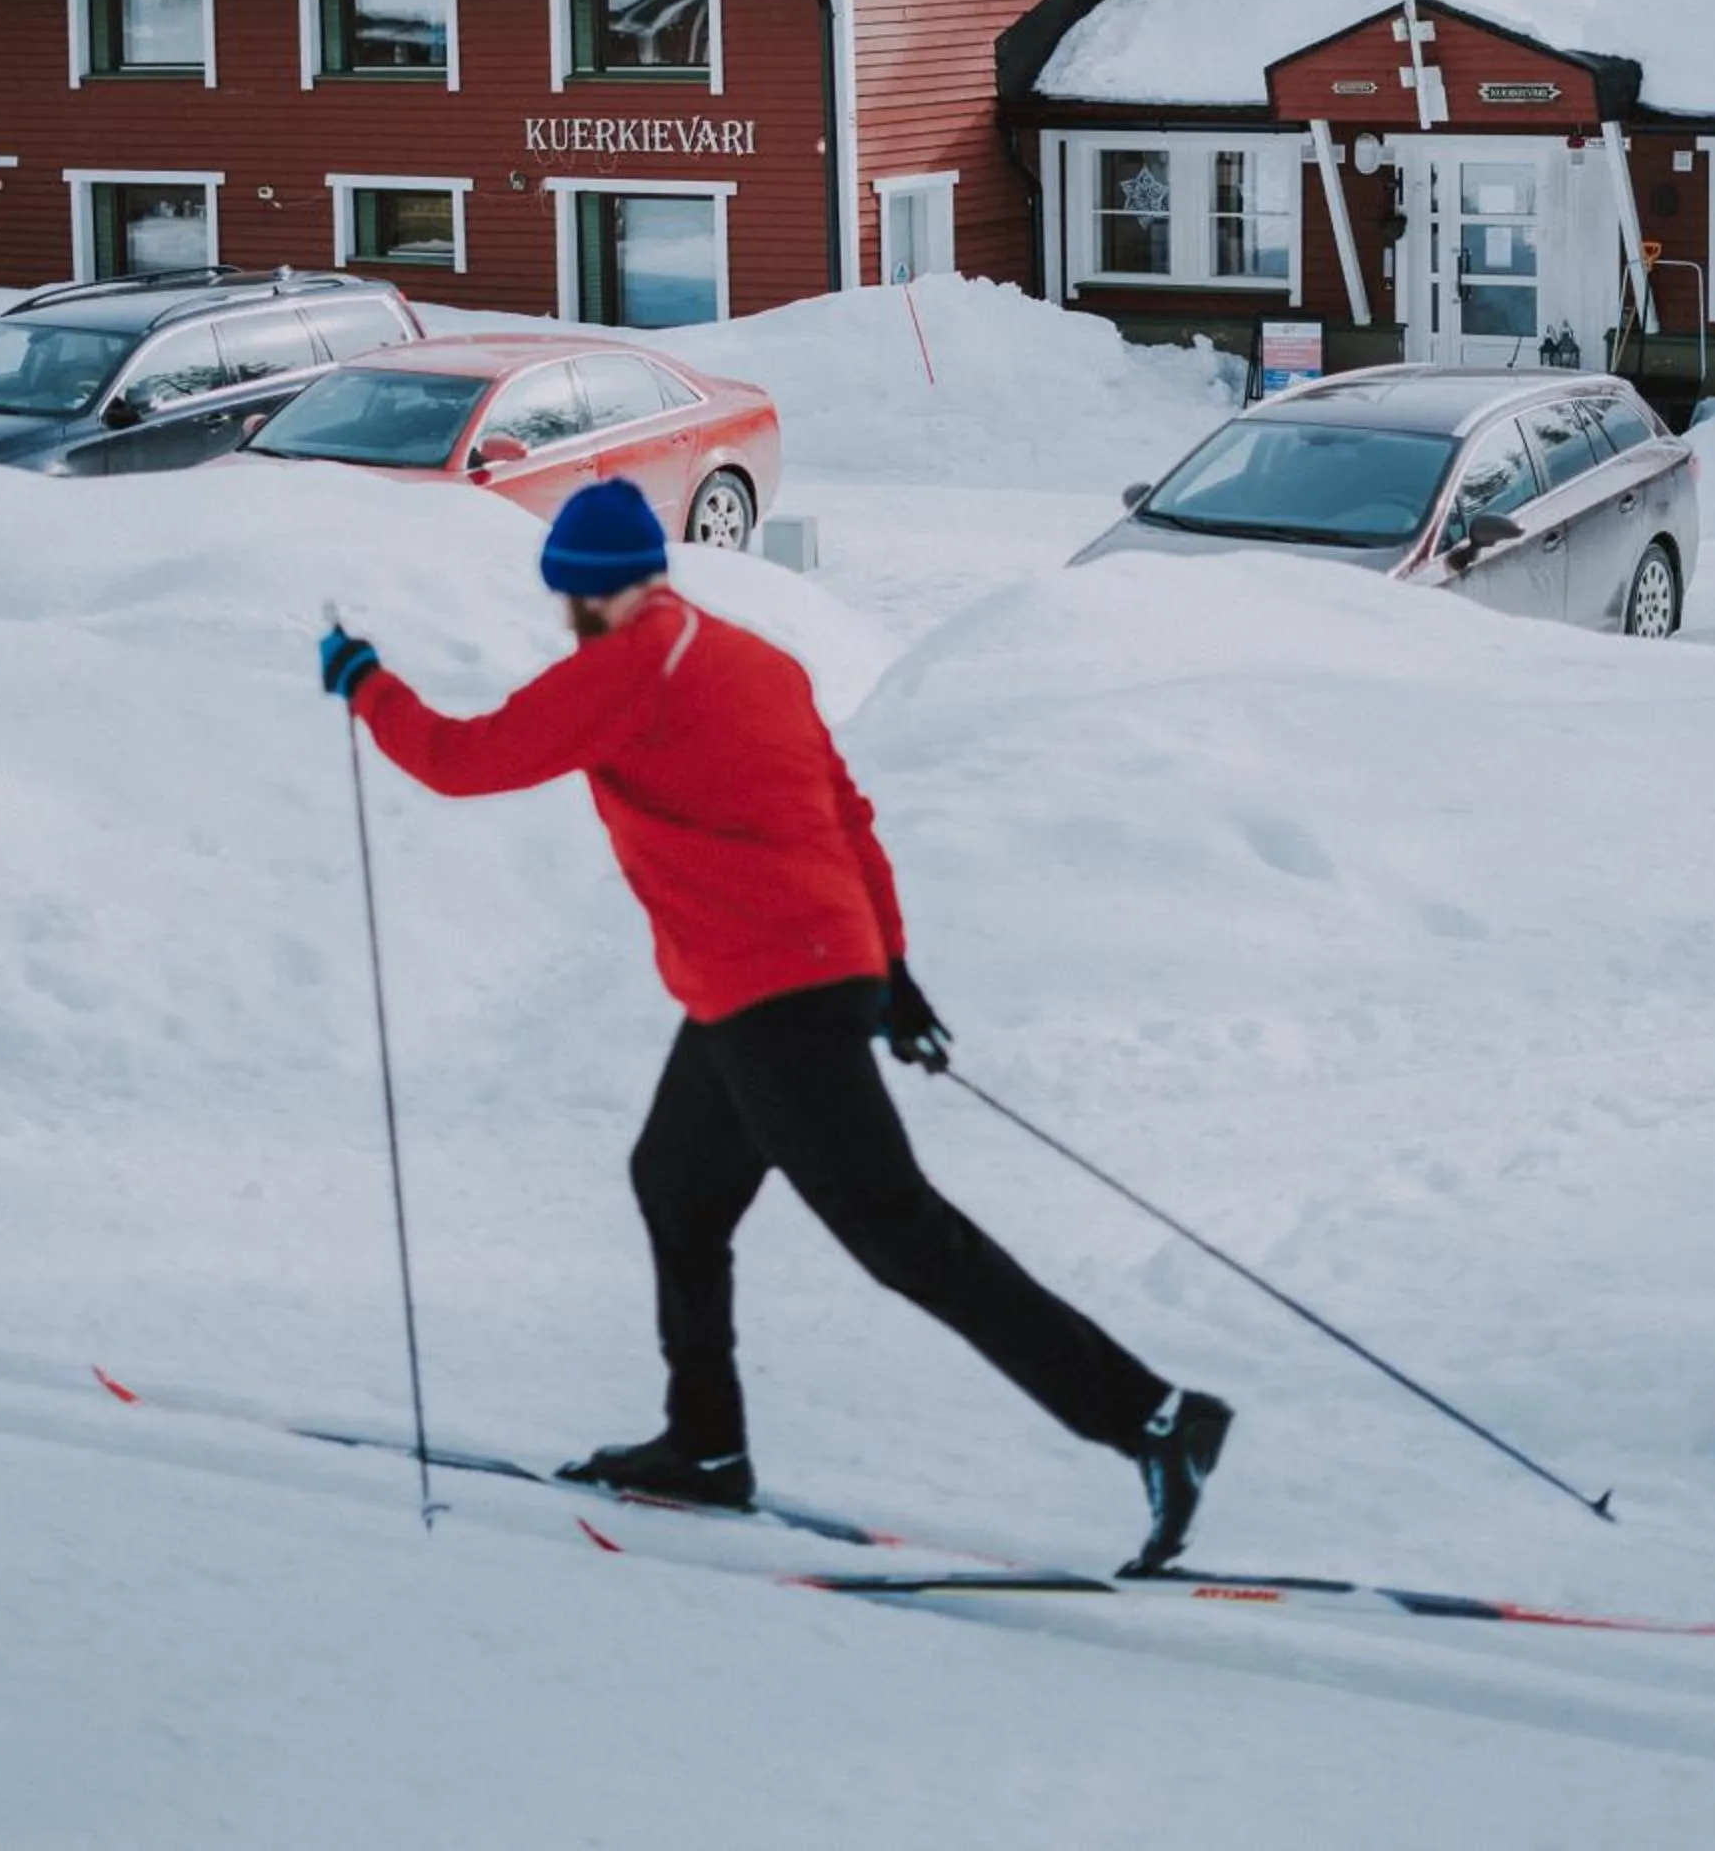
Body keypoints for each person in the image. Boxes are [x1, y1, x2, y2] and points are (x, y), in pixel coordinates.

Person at [320, 476, 1231, 1574]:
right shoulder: (751, 658)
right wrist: (888, 969)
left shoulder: (624, 670)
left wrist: (367, 686)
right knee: (675, 1183)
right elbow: (841, 814)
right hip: (778, 978)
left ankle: (1153, 1419)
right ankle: (704, 1446)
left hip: (771, 988)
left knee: (902, 1237)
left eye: (564, 595)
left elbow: (464, 763)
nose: (561, 613)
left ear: (588, 591)